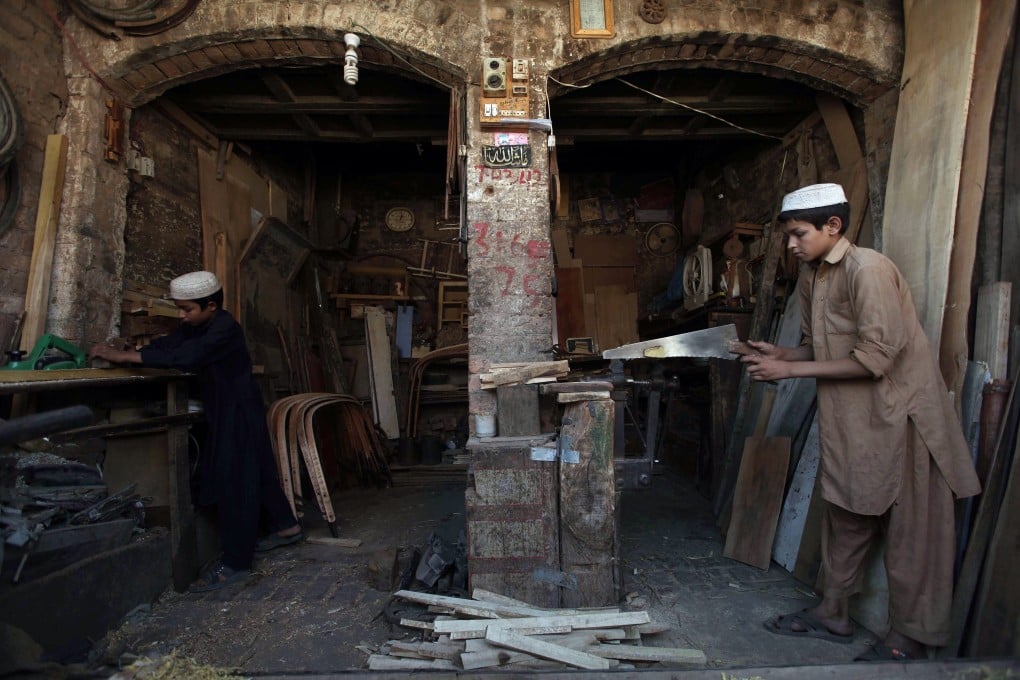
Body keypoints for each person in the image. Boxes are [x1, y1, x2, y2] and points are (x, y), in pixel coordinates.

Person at [743, 184, 981, 660]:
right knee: (846, 515)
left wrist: (789, 371)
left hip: (901, 417)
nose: (791, 245)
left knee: (912, 531)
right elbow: (821, 348)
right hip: (854, 423)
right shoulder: (813, 276)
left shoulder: (867, 270)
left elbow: (875, 359)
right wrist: (784, 353)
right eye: (788, 236)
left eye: (798, 234)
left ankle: (908, 639)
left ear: (833, 227)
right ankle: (833, 613)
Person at [89, 271, 303, 592]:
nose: (181, 315)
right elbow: (170, 345)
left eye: (187, 309)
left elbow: (189, 357)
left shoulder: (225, 329)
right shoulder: (195, 326)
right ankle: (286, 527)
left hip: (238, 412)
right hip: (226, 407)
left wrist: (125, 356)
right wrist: (131, 348)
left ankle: (236, 564)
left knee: (236, 482)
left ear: (211, 306)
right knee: (257, 470)